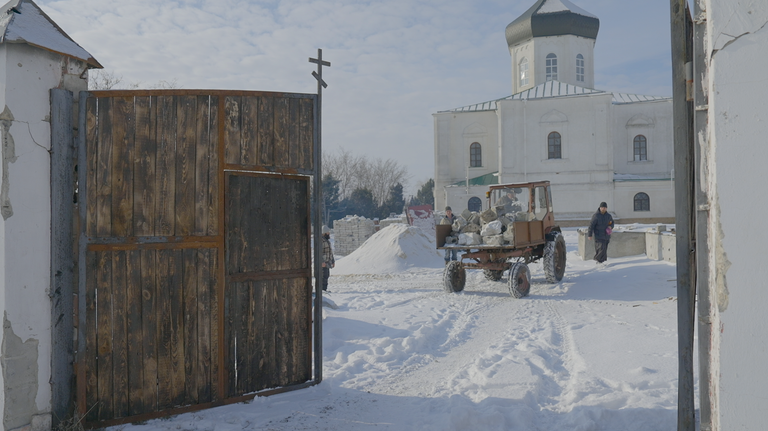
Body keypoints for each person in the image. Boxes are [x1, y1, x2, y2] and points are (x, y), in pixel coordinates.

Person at [321, 225, 335, 291]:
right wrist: (321, 262)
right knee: (323, 277)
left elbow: (330, 252)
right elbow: (319, 252)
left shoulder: (327, 241)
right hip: (323, 263)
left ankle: (325, 289)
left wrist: (333, 261)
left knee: (326, 276)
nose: (329, 233)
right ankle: (322, 290)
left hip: (327, 262)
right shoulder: (321, 241)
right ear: (324, 233)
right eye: (327, 232)